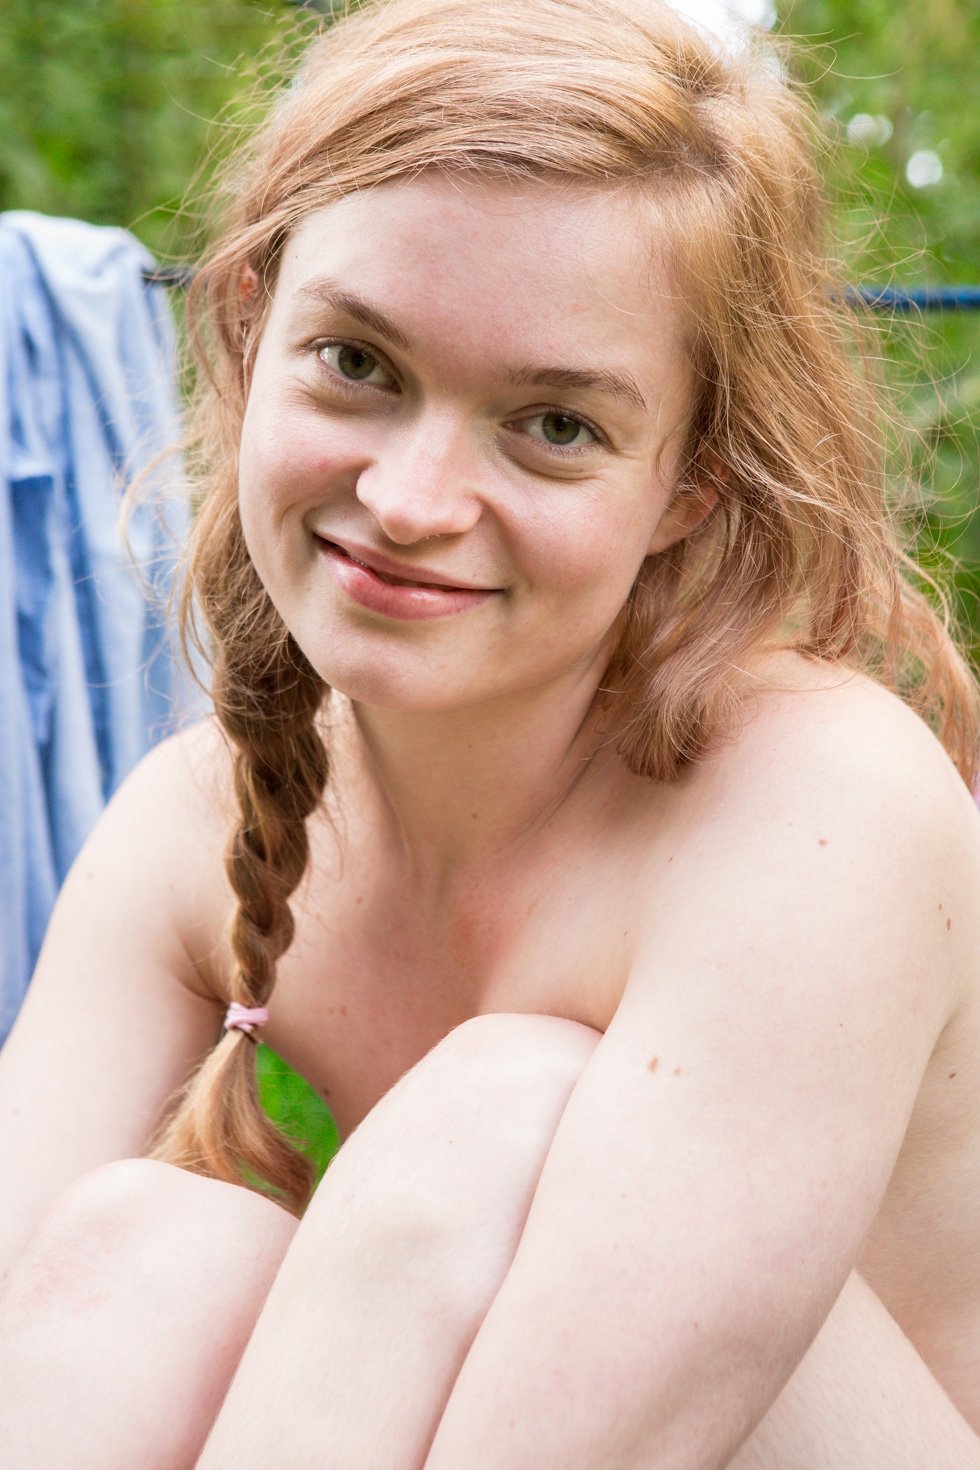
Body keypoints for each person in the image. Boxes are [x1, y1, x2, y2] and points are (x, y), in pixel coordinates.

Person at [1, 0, 979, 1463]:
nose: (409, 499)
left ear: (692, 483)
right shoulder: (194, 818)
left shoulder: (821, 802)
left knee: (505, 1116)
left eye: (555, 425)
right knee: (150, 1250)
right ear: (254, 328)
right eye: (359, 363)